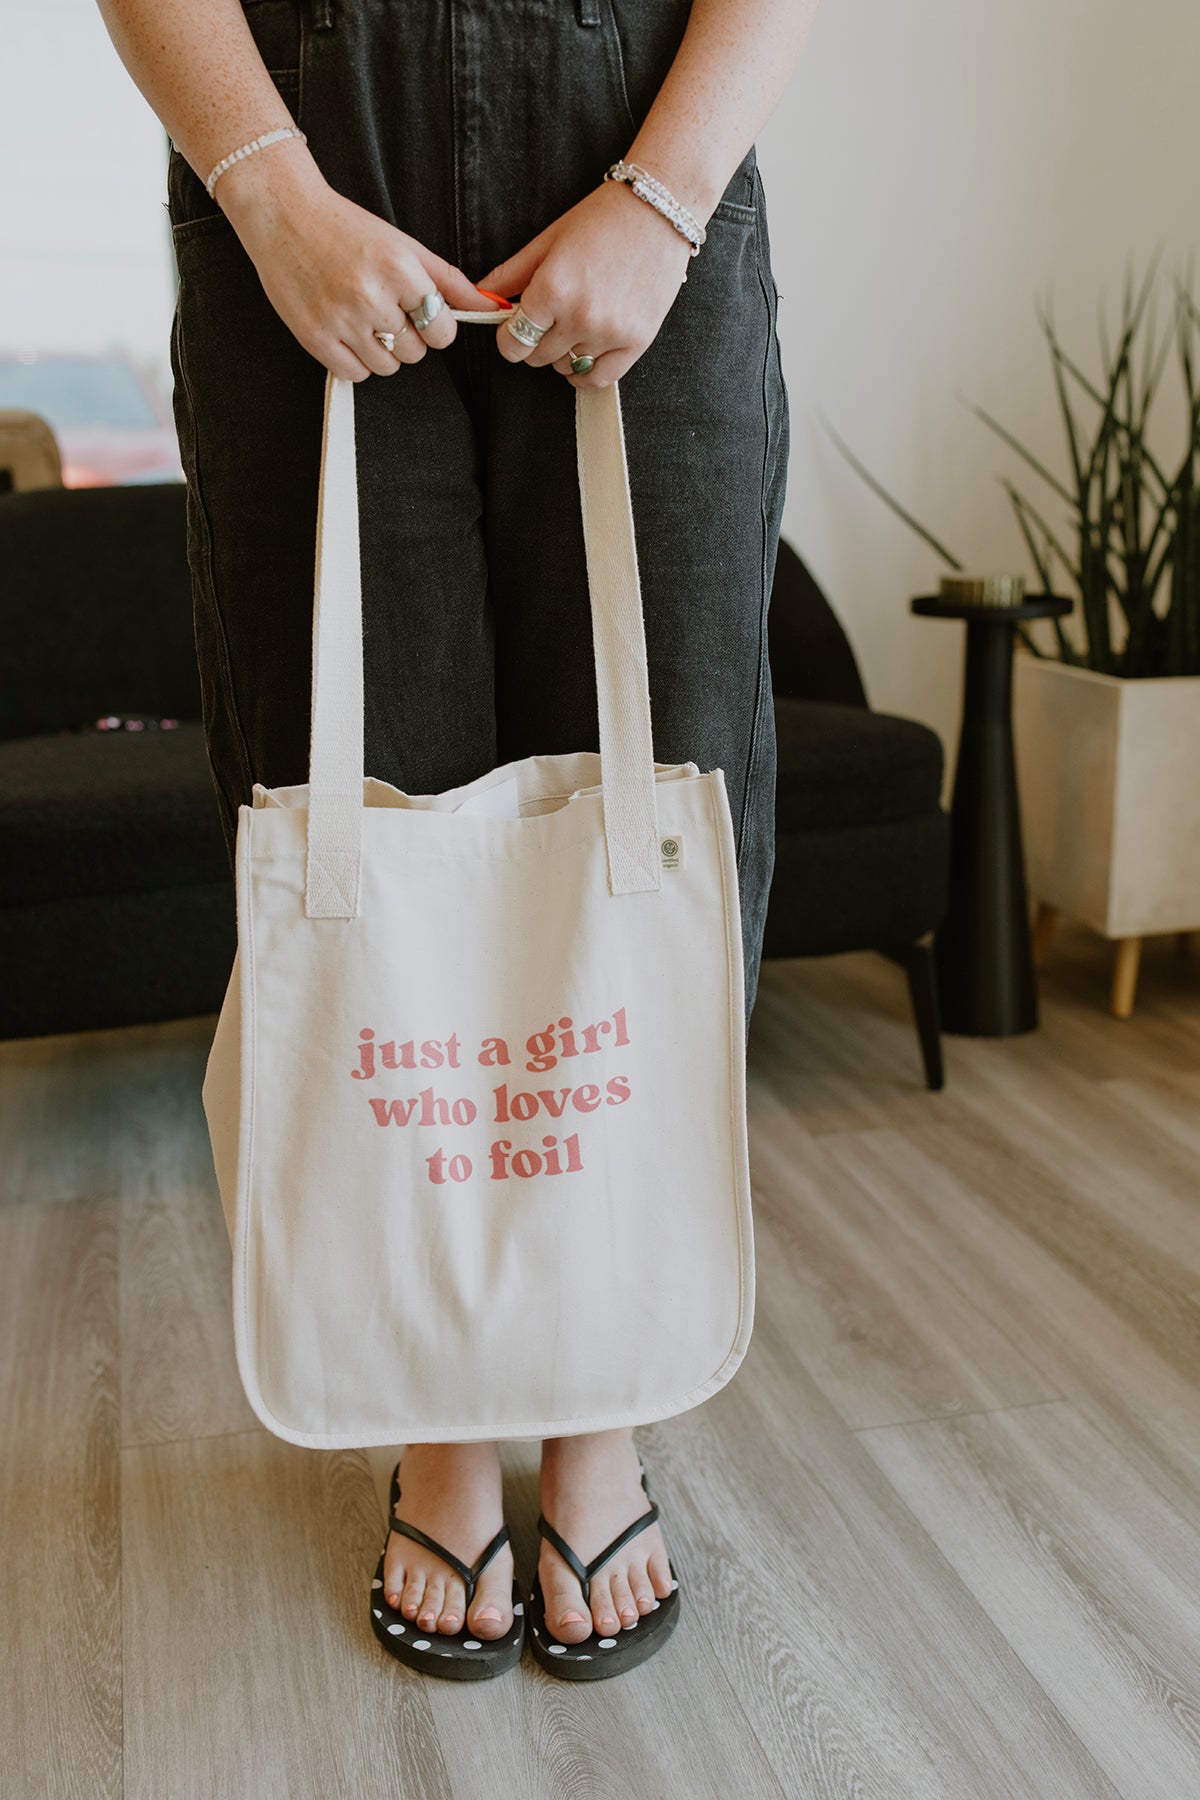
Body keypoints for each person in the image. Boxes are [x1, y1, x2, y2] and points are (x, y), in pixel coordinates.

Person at [96, 0, 821, 1680]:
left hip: (649, 147)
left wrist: (663, 197)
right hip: (300, 155)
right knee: (349, 799)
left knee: (671, 796)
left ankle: (593, 1408)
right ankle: (432, 1404)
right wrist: (270, 193)